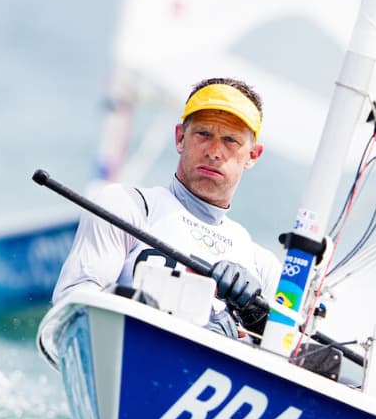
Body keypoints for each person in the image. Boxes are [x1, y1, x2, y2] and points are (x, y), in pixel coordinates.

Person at [53, 77, 280, 338]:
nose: (214, 151)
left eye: (231, 140)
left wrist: (256, 317)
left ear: (252, 155)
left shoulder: (262, 266)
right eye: (203, 134)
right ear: (181, 138)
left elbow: (287, 358)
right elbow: (71, 302)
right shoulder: (126, 207)